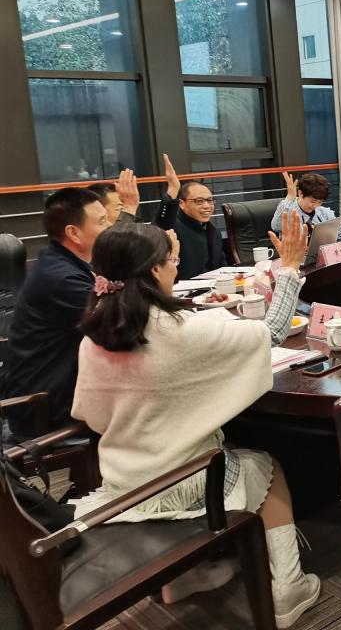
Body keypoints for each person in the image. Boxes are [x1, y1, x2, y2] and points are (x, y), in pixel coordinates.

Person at [70, 211, 320, 627]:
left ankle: (185, 579)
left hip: (123, 483)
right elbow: (271, 332)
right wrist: (291, 268)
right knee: (268, 468)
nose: (176, 267)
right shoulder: (180, 332)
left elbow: (92, 417)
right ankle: (289, 589)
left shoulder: (95, 333)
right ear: (154, 270)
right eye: (171, 261)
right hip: (182, 483)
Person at [0, 188, 110, 439]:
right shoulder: (61, 278)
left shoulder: (68, 263)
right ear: (74, 232)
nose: (109, 228)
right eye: (102, 221)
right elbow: (118, 323)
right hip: (48, 410)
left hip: (65, 392)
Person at [153, 154, 226, 280]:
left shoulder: (213, 231)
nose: (207, 206)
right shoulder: (173, 226)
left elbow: (222, 267)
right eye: (199, 201)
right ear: (182, 204)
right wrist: (173, 190)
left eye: (210, 200)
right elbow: (161, 223)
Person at [271, 171, 341, 241]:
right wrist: (289, 198)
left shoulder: (325, 213)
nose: (316, 206)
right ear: (300, 193)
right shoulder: (289, 209)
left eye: (320, 202)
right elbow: (276, 226)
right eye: (313, 201)